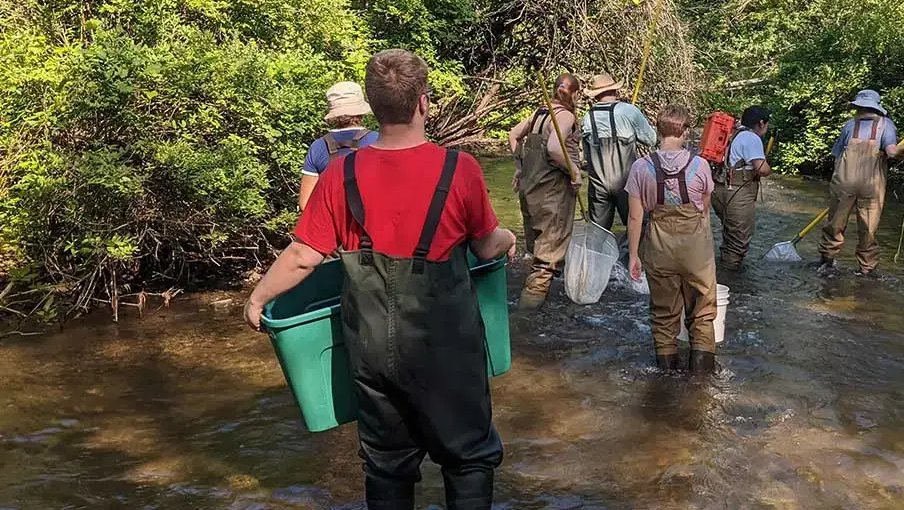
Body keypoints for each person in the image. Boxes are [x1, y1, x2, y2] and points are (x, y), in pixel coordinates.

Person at [244, 49, 515, 510]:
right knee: (468, 458)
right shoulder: (460, 169)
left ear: (373, 104)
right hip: (446, 348)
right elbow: (487, 246)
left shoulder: (340, 173)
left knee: (387, 464)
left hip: (371, 352)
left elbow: (304, 256)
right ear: (424, 103)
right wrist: (508, 237)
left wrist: (257, 299)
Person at [626, 105, 717, 373]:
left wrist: (633, 255)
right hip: (696, 250)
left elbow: (634, 218)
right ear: (686, 132)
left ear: (658, 129)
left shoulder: (640, 167)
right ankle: (701, 380)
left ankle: (665, 378)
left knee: (664, 314)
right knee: (702, 313)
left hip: (658, 246)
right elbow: (705, 207)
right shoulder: (700, 165)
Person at [818, 89, 904, 276]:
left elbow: (837, 157)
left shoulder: (849, 125)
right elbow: (893, 152)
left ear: (858, 107)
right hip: (871, 185)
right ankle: (866, 270)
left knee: (835, 224)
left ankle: (826, 263)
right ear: (877, 107)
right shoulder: (886, 125)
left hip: (844, 182)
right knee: (868, 228)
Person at [508, 74, 582, 309]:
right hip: (553, 197)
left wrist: (520, 168)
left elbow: (513, 135)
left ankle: (536, 303)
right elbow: (553, 148)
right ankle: (526, 322)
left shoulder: (539, 114)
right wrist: (575, 172)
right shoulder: (566, 116)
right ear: (576, 94)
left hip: (530, 194)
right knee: (545, 264)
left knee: (537, 253)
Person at [581, 73, 658, 231]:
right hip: (627, 185)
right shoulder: (629, 111)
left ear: (596, 96)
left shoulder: (587, 119)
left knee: (598, 234)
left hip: (598, 187)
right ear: (615, 91)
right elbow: (651, 139)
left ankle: (598, 256)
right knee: (638, 229)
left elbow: (586, 155)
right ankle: (636, 255)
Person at [299, 81, 380, 210]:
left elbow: (306, 203)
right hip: (369, 225)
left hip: (331, 226)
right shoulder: (379, 141)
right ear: (361, 112)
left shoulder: (318, 146)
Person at [711, 105, 773, 270]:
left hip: (719, 190)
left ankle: (721, 271)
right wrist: (769, 166)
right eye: (766, 125)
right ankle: (730, 284)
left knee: (730, 236)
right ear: (761, 123)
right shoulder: (751, 138)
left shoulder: (733, 133)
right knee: (738, 243)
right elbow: (762, 169)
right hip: (737, 193)